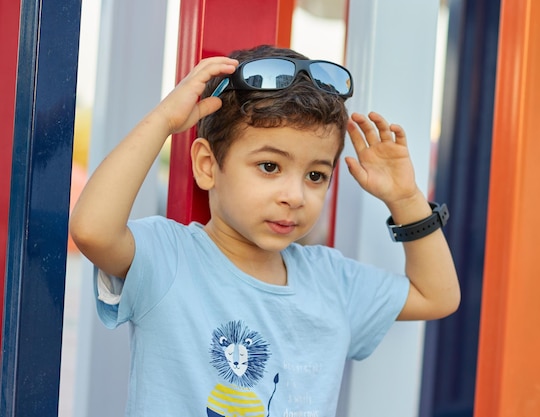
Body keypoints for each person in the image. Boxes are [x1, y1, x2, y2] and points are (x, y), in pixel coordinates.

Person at [69, 44, 460, 417]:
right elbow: (92, 230)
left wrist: (407, 199)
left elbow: (437, 296)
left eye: (315, 175)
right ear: (208, 166)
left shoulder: (332, 281)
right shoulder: (170, 259)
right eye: (270, 166)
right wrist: (164, 121)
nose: (295, 195)